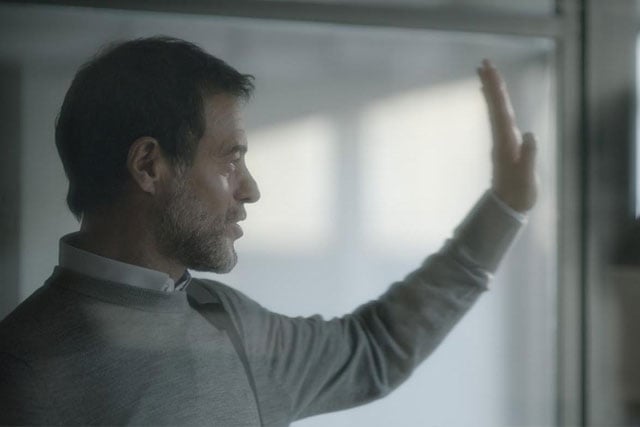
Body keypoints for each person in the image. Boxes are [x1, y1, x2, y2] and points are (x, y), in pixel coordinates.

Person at [0, 37, 537, 426]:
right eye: (230, 159)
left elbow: (374, 347)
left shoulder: (223, 319)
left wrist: (504, 211)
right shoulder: (22, 371)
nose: (251, 189)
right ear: (148, 165)